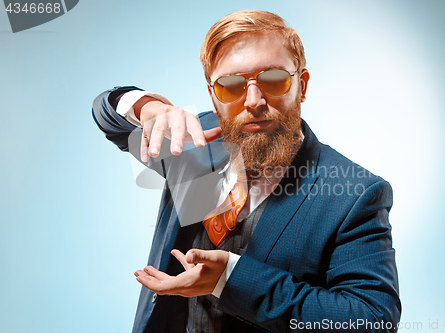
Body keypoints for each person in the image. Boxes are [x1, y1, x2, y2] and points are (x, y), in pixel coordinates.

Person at [92, 10, 401, 333]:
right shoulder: (193, 139)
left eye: (274, 80)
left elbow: (372, 320)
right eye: (231, 86)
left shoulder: (354, 193)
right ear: (213, 96)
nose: (253, 101)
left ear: (303, 86)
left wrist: (231, 278)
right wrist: (150, 107)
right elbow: (107, 113)